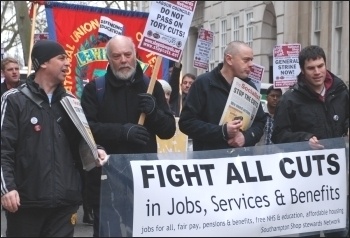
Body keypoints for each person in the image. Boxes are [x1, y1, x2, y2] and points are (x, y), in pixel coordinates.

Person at [1, 40, 108, 237]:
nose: (67, 63)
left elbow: (81, 142)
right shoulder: (13, 99)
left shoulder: (71, 101)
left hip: (64, 203)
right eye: (61, 58)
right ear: (42, 63)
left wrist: (96, 149)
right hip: (26, 203)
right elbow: (3, 148)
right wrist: (7, 188)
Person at [80, 35, 176, 237]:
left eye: (127, 54)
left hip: (143, 181)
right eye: (117, 56)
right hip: (107, 183)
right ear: (109, 59)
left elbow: (168, 131)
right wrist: (123, 132)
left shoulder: (152, 86)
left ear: (135, 56)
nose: (123, 60)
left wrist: (154, 112)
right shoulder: (95, 89)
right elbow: (87, 130)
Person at [271, 45, 349, 237]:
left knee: (338, 231)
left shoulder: (341, 92)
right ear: (302, 70)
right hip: (307, 180)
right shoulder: (290, 99)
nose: (317, 72)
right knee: (309, 232)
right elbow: (279, 135)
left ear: (325, 64)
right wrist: (304, 140)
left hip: (336, 177)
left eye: (320, 66)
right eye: (311, 68)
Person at [179, 41, 267, 151]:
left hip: (240, 162)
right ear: (229, 59)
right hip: (210, 161)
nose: (251, 64)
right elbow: (186, 123)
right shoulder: (203, 83)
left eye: (251, 60)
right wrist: (222, 131)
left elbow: (260, 122)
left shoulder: (250, 87)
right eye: (246, 60)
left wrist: (246, 137)